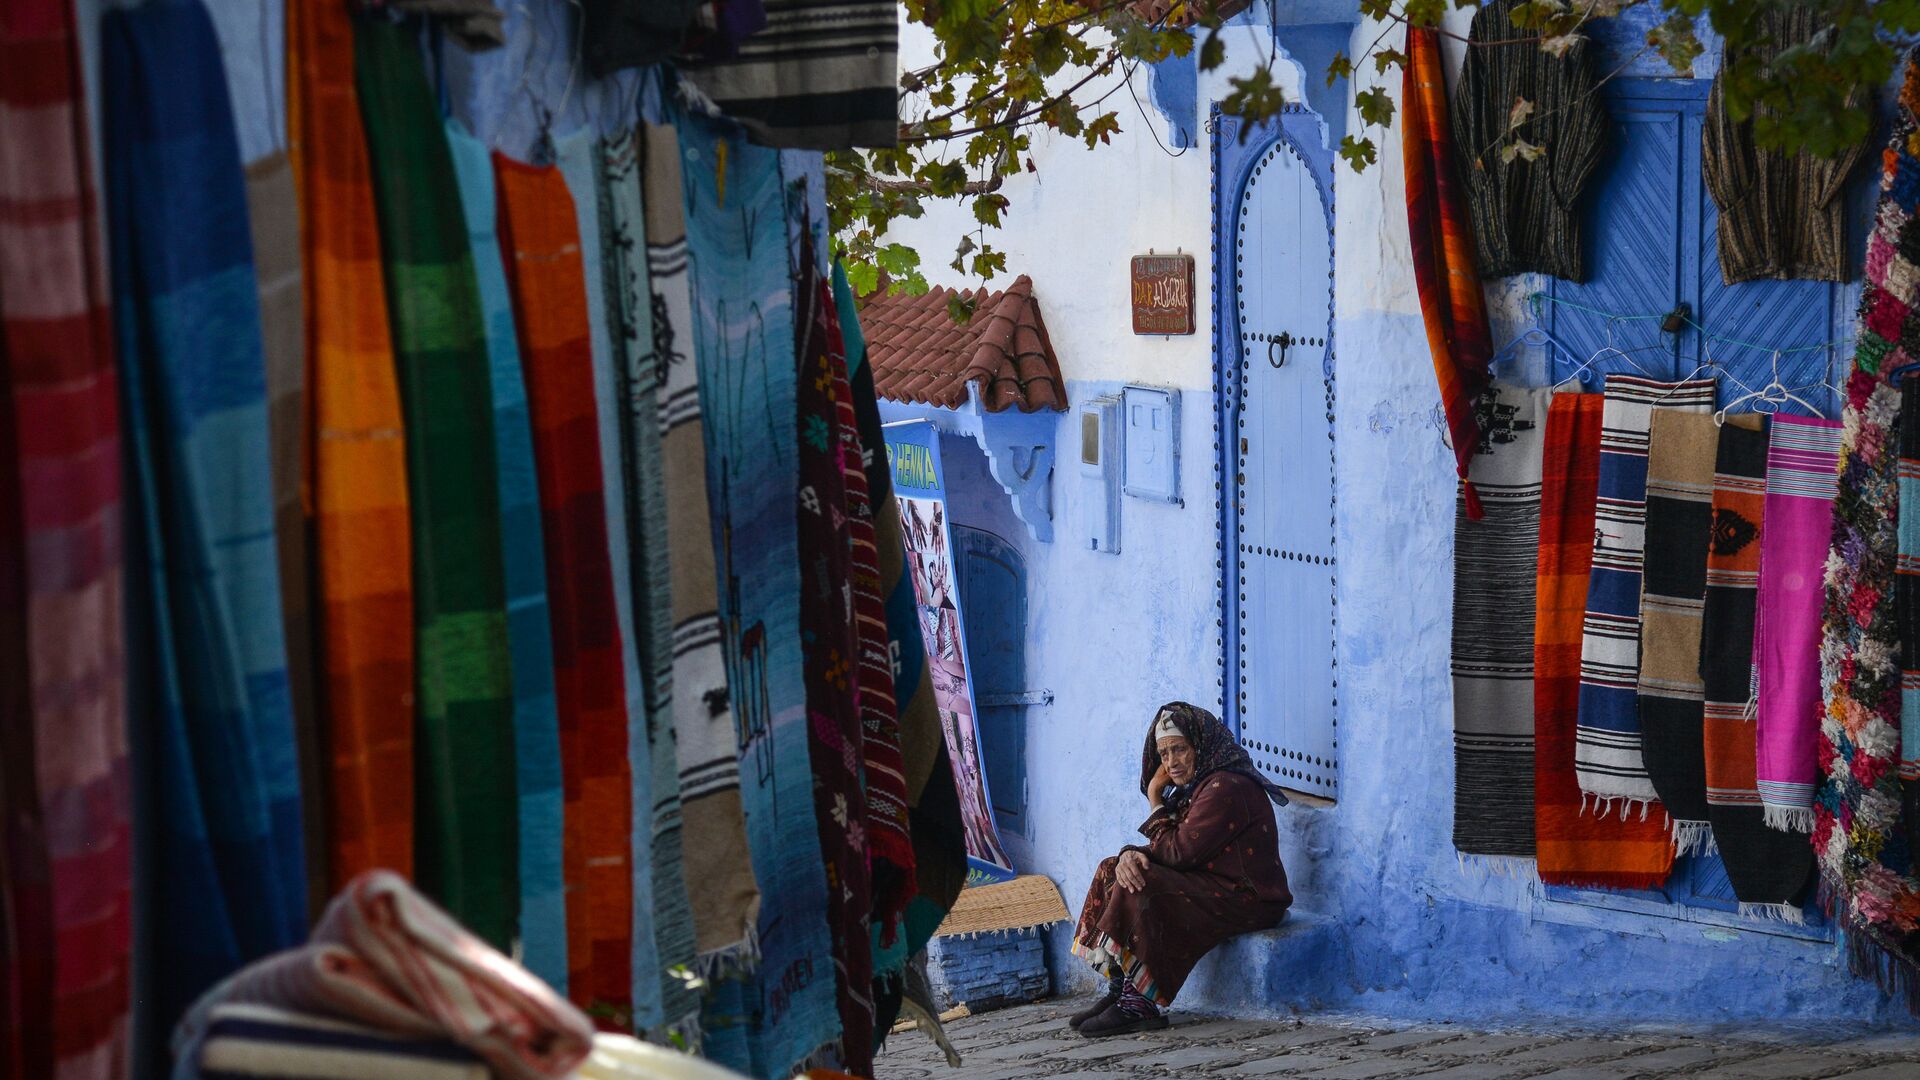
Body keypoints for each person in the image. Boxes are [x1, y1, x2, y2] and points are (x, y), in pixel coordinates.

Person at [1068, 702, 1292, 1037]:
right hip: (1213, 883)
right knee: (1112, 869)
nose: (1171, 762)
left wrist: (1154, 796)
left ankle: (1138, 1003)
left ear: (1200, 746)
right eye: (1164, 753)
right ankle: (1122, 985)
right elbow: (1175, 846)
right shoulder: (1199, 787)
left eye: (1179, 750)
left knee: (1142, 883)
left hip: (1249, 898)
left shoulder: (1225, 786)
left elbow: (1179, 852)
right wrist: (1130, 853)